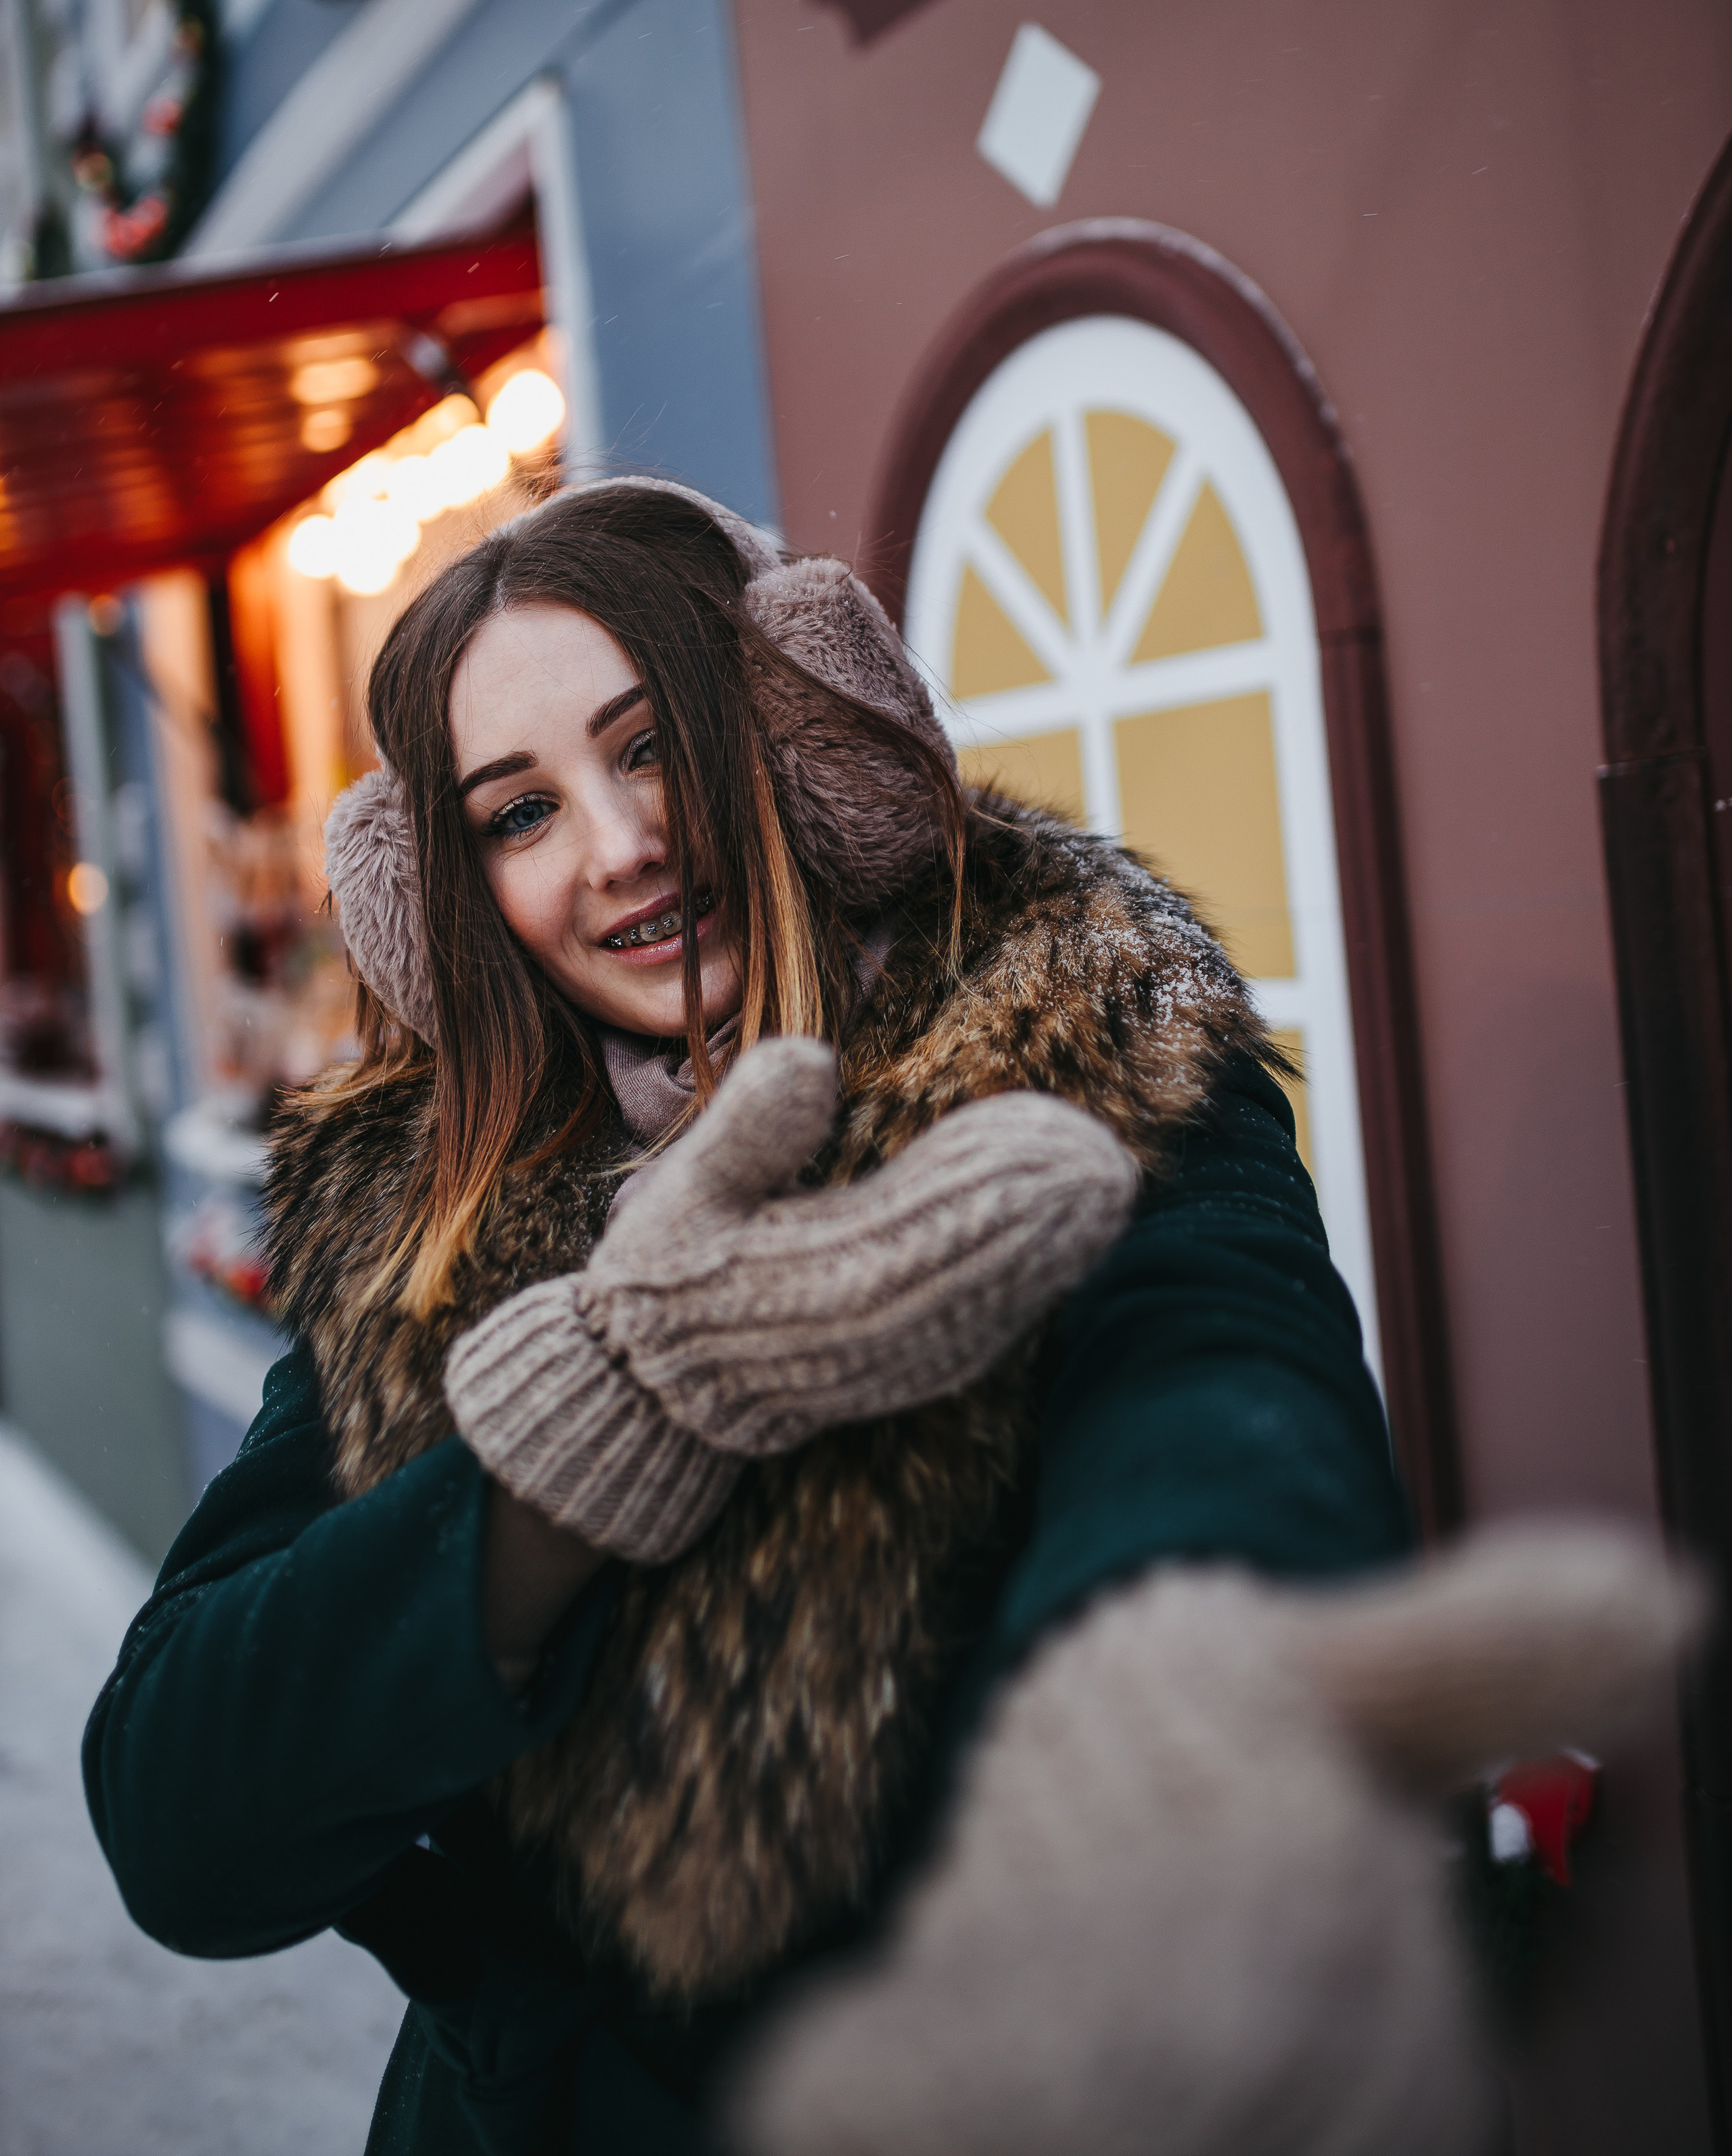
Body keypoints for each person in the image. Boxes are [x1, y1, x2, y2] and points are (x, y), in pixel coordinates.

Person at [83, 480, 1692, 2156]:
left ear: (792, 733)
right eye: (518, 813)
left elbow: (1212, 1376)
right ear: (445, 897)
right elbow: (175, 1815)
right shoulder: (430, 1225)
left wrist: (1192, 1657)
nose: (620, 847)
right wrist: (569, 1457)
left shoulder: (1084, 1052)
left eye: (650, 747)